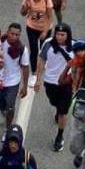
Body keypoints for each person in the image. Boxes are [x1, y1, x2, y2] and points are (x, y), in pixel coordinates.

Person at [34, 24, 74, 152]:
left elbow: (83, 60)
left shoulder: (74, 46)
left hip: (66, 83)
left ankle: (59, 136)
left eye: (62, 35)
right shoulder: (48, 44)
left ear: (68, 35)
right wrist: (38, 79)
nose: (59, 37)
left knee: (63, 111)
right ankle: (58, 109)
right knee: (54, 102)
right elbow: (41, 60)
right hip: (50, 81)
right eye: (57, 34)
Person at [0, 24, 30, 129]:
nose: (14, 36)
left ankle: (8, 128)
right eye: (12, 34)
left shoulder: (22, 49)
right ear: (7, 32)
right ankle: (3, 109)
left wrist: (25, 86)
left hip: (13, 81)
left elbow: (25, 67)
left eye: (17, 35)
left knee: (10, 106)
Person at [20, 0, 55, 71]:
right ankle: (34, 71)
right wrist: (26, 7)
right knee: (34, 49)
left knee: (44, 50)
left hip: (45, 27)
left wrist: (45, 31)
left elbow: (50, 17)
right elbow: (22, 13)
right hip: (32, 27)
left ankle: (43, 68)